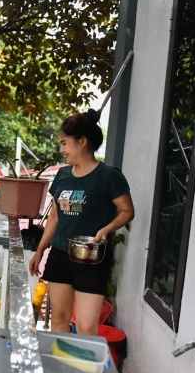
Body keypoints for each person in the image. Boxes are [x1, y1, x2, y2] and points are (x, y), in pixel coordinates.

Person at [28, 109, 134, 337]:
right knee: (58, 318)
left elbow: (127, 211)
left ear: (82, 142)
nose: (62, 150)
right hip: (60, 256)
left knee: (86, 327)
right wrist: (40, 251)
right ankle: (62, 368)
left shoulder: (108, 176)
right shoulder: (63, 176)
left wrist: (106, 229)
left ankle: (83, 371)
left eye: (65, 143)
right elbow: (55, 217)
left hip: (92, 259)